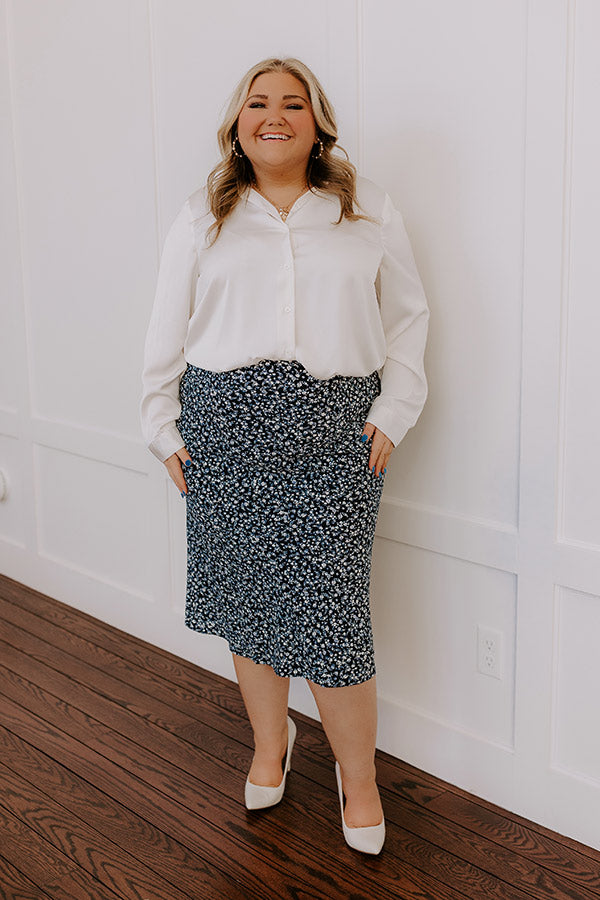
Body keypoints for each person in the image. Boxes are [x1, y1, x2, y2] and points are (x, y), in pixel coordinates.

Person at [140, 56, 429, 855]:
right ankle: (272, 746)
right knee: (249, 603)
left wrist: (395, 412)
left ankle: (358, 777)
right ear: (238, 123)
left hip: (336, 434)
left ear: (317, 122)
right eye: (258, 103)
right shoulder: (202, 215)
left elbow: (408, 317)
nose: (274, 115)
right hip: (225, 433)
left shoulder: (367, 208)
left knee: (334, 621)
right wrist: (162, 426)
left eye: (292, 103)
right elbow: (166, 331)